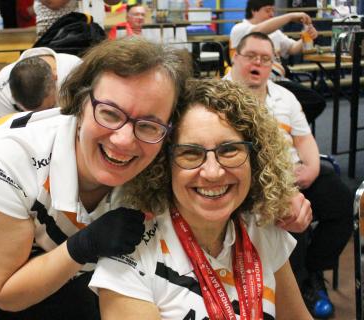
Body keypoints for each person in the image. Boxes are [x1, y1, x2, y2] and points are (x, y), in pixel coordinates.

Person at [0, 37, 310, 319]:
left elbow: (211, 150)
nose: (124, 140)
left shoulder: (161, 150)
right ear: (79, 102)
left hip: (69, 262)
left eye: (148, 123)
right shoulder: (5, 158)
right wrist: (84, 246)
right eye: (109, 113)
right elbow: (7, 293)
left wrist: (274, 194)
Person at [89, 78, 312, 319]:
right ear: (163, 164)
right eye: (190, 153)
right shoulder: (129, 255)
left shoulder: (262, 228)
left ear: (254, 158)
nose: (213, 172)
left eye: (229, 150)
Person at [226, 31, 353, 319]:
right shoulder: (220, 96)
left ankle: (312, 273)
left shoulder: (285, 97)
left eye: (265, 58)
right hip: (252, 183)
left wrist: (311, 169)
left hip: (293, 174)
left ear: (273, 63)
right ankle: (291, 287)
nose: (258, 63)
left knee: (340, 202)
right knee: (286, 220)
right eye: (251, 57)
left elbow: (305, 140)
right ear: (236, 58)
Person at [229, 0, 326, 124]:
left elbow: (292, 48)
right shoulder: (240, 28)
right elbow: (257, 32)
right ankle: (283, 129)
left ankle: (285, 129)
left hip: (279, 81)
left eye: (273, 11)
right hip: (255, 82)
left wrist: (307, 37)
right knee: (313, 101)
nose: (271, 14)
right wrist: (290, 16)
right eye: (267, 10)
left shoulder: (275, 32)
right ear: (254, 10)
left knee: (311, 103)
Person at [0, 46, 80, 117]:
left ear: (55, 77)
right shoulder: (0, 92)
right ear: (12, 96)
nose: (38, 118)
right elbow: (8, 130)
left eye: (50, 107)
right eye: (27, 112)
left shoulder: (77, 72)